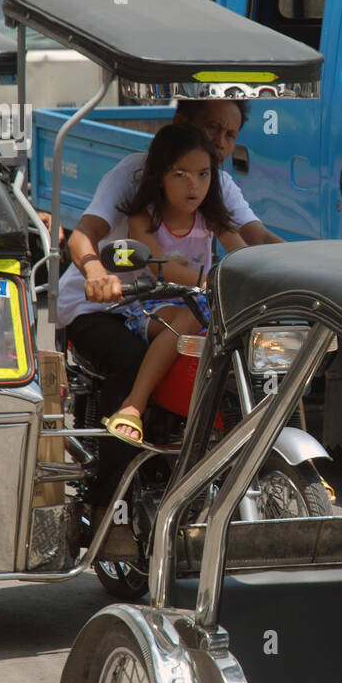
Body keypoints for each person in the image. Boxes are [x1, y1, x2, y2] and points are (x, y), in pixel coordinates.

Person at [59, 98, 280, 525]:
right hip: (106, 303)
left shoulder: (214, 190)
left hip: (185, 304)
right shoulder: (133, 180)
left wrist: (311, 268)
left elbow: (254, 242)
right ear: (181, 125)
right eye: (211, 127)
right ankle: (110, 506)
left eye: (229, 135)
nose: (218, 142)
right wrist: (94, 271)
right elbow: (85, 236)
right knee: (131, 359)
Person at [101, 123, 235, 445]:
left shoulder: (211, 216)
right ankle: (134, 403)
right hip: (154, 306)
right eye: (181, 174)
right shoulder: (144, 218)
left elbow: (242, 251)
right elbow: (162, 267)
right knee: (187, 318)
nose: (194, 185)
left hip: (204, 303)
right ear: (159, 176)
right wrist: (212, 282)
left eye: (203, 174)